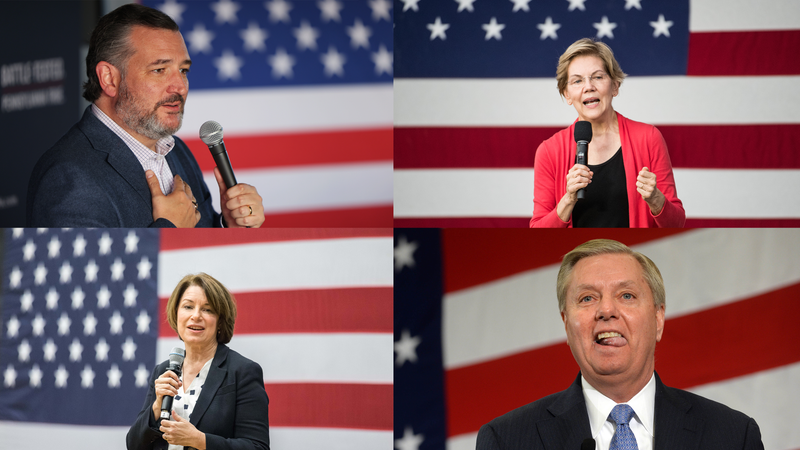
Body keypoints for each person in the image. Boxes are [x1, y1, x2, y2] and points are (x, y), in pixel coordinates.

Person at [476, 239, 763, 450]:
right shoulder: (506, 439)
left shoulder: (733, 435)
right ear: (566, 323)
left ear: (658, 318)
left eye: (626, 295)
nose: (606, 310)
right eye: (587, 298)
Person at [26, 4, 265, 228]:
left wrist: (228, 225)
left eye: (183, 70)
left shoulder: (176, 150)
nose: (180, 86)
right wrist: (170, 228)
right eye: (159, 70)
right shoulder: (68, 177)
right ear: (109, 79)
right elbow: (82, 270)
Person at [530, 38, 685, 228]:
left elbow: (676, 224)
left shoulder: (648, 138)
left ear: (615, 86)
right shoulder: (549, 151)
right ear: (567, 94)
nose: (588, 87)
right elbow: (537, 230)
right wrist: (568, 199)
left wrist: (656, 200)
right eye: (577, 81)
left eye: (598, 77)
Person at [127, 273, 269, 450]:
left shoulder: (242, 371)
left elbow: (257, 447)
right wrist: (156, 407)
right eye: (188, 307)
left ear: (220, 321)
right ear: (176, 313)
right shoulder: (163, 370)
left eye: (207, 309)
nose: (196, 315)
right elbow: (133, 445)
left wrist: (200, 440)